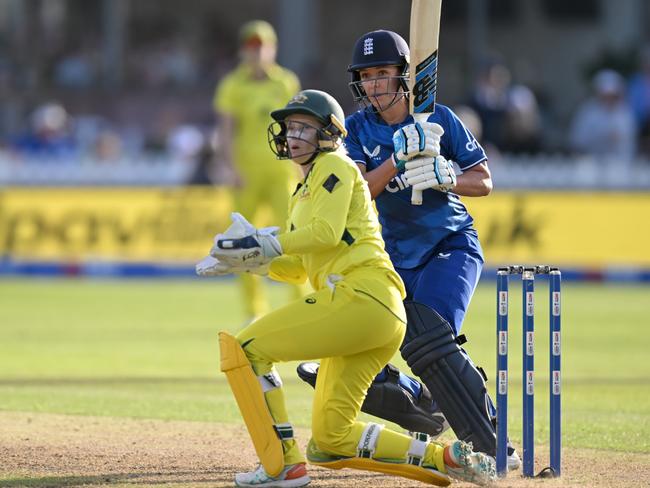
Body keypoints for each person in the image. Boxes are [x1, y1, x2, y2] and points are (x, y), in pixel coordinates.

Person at [197, 89, 496, 487]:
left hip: (362, 297)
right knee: (330, 440)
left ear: (328, 132)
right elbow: (300, 266)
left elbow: (325, 233)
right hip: (372, 313)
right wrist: (255, 261)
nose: (294, 135)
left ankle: (282, 466)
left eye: (304, 127)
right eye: (290, 127)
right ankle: (447, 458)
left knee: (245, 350)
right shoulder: (304, 190)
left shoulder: (334, 166)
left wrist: (268, 242)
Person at [296, 30, 520, 469]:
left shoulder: (438, 118)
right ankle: (423, 399)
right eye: (367, 76)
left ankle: (496, 443)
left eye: (383, 73)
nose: (375, 84)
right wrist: (397, 161)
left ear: (403, 75)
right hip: (392, 258)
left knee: (429, 336)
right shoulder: (356, 131)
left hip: (450, 245)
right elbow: (357, 191)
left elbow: (484, 180)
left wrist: (446, 177)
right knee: (371, 342)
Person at [213, 20, 301, 321]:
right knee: (243, 244)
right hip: (246, 174)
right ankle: (254, 311)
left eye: (262, 47)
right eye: (251, 47)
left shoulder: (285, 83)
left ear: (272, 49)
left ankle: (299, 305)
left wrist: (303, 169)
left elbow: (298, 128)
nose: (257, 53)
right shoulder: (233, 85)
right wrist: (230, 167)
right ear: (243, 51)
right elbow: (225, 131)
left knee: (294, 239)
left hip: (283, 172)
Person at [570, 69, 637, 162]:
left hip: (619, 165)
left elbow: (628, 141)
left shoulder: (625, 113)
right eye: (605, 95)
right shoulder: (587, 112)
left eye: (612, 95)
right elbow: (577, 140)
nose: (608, 99)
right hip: (591, 165)